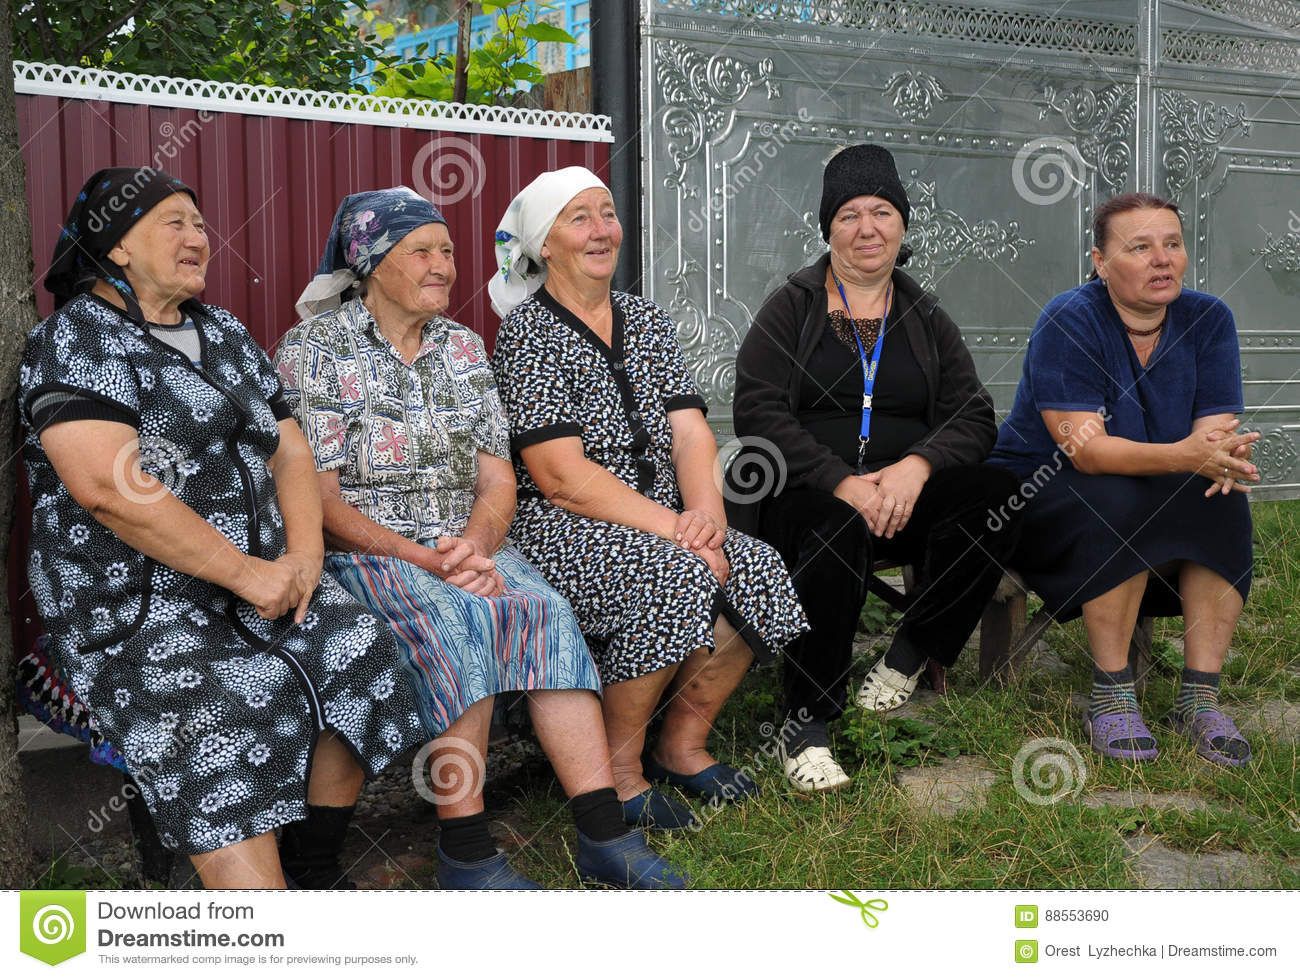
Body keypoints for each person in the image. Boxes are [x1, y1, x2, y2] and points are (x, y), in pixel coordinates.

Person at [19, 167, 425, 889]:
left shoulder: (224, 331)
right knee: (217, 716)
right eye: (174, 222)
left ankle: (312, 865)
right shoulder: (76, 339)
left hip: (263, 584)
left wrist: (302, 557)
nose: (198, 238)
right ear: (115, 247)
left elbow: (291, 447)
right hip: (135, 612)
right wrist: (248, 574)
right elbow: (108, 488)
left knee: (358, 646)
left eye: (201, 225)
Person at [275, 187, 683, 888]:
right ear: (372, 262)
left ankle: (602, 831)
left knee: (542, 610)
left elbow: (498, 480)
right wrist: (424, 557)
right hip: (368, 551)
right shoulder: (316, 349)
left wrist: (474, 545)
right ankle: (465, 848)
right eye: (423, 252)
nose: (444, 266)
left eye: (449, 252)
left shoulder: (462, 348)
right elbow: (320, 497)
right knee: (460, 615)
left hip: (465, 543)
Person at [489, 167, 808, 828]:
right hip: (564, 528)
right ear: (546, 244)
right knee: (676, 575)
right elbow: (559, 476)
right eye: (580, 218)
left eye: (607, 213)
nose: (602, 230)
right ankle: (617, 770)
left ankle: (681, 745)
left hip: (662, 519)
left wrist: (709, 520)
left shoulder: (644, 319)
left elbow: (691, 432)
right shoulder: (527, 335)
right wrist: (676, 531)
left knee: (757, 565)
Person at [731, 144, 1021, 792]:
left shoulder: (924, 316)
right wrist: (840, 479)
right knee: (834, 529)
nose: (868, 227)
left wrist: (916, 467)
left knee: (997, 493)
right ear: (828, 227)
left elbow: (974, 414)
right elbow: (756, 408)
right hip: (812, 496)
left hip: (900, 496)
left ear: (903, 225)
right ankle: (805, 721)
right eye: (850, 214)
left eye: (882, 211)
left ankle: (912, 650)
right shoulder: (793, 307)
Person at [988, 192, 1257, 767]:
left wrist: (1221, 460)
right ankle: (1110, 693)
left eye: (1172, 244)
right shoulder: (1072, 318)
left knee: (1223, 500)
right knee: (1115, 495)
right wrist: (1189, 457)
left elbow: (1211, 440)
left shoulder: (1208, 319)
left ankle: (1199, 697)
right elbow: (1085, 451)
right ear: (1100, 262)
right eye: (1140, 247)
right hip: (1044, 493)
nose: (1162, 260)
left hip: (1152, 483)